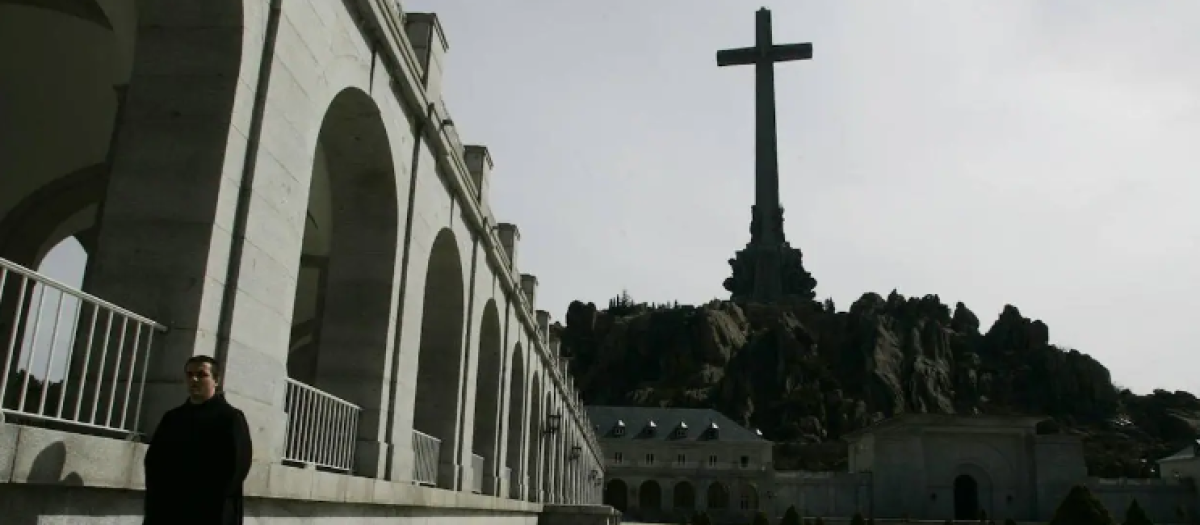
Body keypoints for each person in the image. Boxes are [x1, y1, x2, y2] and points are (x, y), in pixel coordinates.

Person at [144, 355, 253, 525]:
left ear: (216, 380)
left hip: (212, 514)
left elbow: (236, 469)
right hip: (168, 512)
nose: (194, 379)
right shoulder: (172, 418)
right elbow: (154, 463)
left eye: (202, 374)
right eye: (189, 374)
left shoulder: (230, 418)